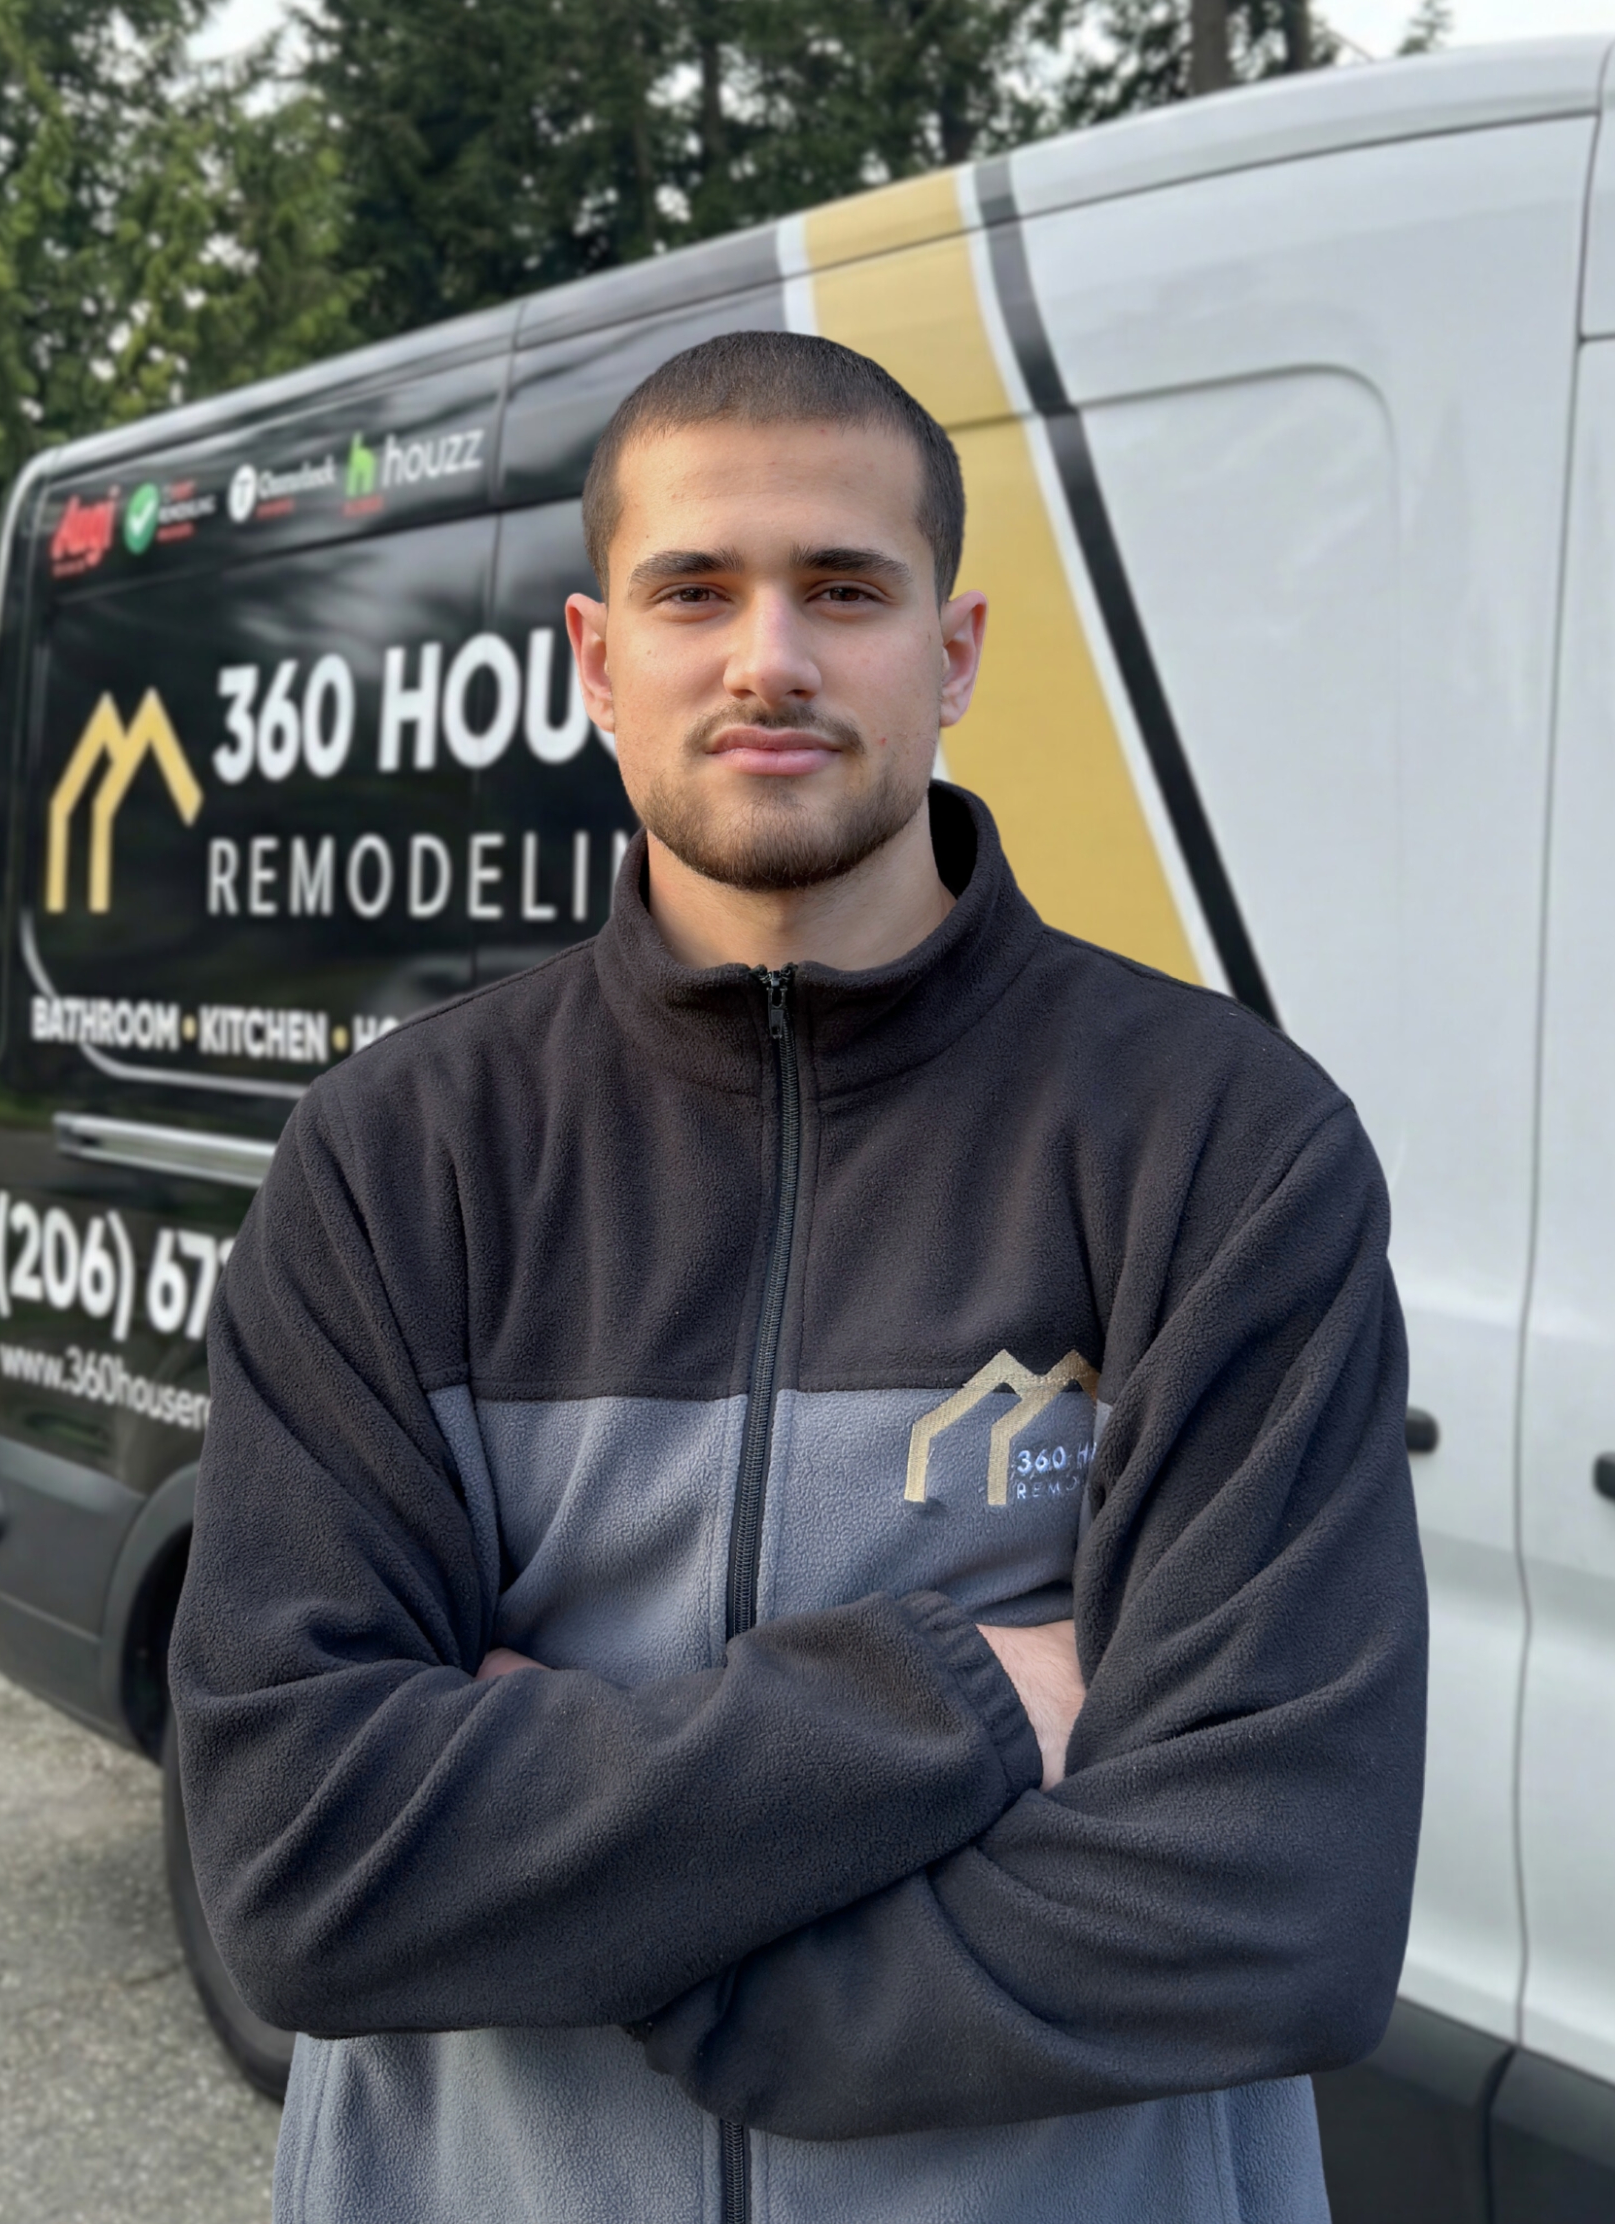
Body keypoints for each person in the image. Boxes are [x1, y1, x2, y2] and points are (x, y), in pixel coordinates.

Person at [170, 330, 1425, 2224]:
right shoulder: (393, 1157)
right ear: (600, 660)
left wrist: (619, 1927)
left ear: (956, 650)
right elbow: (300, 1860)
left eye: (845, 586)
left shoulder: (1221, 1145)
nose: (771, 657)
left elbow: (1273, 1895)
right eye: (697, 590)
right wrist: (975, 1698)